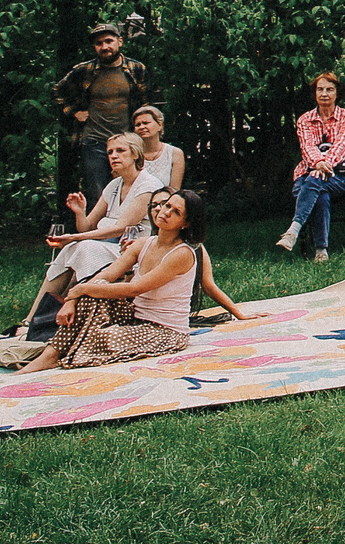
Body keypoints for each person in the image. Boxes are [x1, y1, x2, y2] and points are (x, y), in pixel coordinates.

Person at [12, 190, 205, 374]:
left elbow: (134, 289)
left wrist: (81, 289)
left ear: (185, 224)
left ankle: (60, 353)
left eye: (176, 212)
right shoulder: (143, 244)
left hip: (166, 331)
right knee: (92, 296)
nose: (166, 212)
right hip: (136, 318)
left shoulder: (181, 253)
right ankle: (50, 355)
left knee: (100, 336)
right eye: (167, 205)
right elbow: (106, 275)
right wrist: (73, 299)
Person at [52, 22, 150, 201]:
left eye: (109, 41)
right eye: (99, 43)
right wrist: (73, 112)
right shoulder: (84, 70)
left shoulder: (136, 69)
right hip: (94, 141)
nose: (104, 47)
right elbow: (57, 90)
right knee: (99, 194)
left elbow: (144, 105)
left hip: (126, 140)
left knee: (129, 190)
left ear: (120, 42)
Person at [274, 73, 345, 261]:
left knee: (314, 180)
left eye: (329, 89)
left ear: (337, 93)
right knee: (320, 193)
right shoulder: (304, 120)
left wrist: (323, 166)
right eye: (320, 89)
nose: (324, 93)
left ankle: (294, 230)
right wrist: (318, 163)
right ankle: (321, 251)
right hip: (309, 172)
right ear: (314, 93)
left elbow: (341, 146)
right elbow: (307, 146)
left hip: (340, 175)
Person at [129, 105, 184, 196]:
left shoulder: (175, 153)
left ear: (160, 125)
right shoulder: (131, 154)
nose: (142, 127)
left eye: (146, 123)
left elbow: (174, 191)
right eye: (138, 125)